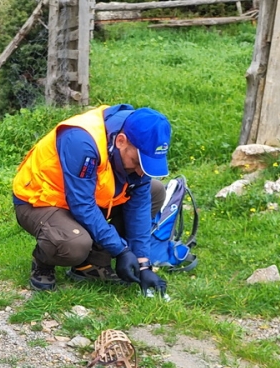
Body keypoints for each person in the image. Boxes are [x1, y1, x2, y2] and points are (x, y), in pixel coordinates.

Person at [12, 104, 171, 294]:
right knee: (74, 244)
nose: (140, 172)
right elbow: (82, 205)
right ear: (121, 141)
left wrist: (143, 263)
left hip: (85, 198)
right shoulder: (81, 140)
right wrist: (121, 250)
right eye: (137, 162)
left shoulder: (136, 142)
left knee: (155, 191)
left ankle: (92, 265)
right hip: (41, 201)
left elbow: (139, 207)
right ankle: (43, 261)